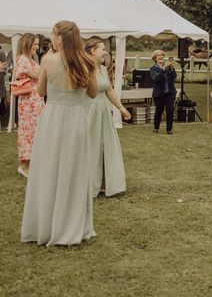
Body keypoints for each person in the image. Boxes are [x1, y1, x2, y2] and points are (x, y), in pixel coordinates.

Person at [21, 20, 98, 246]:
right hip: (76, 119)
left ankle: (46, 224)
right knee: (73, 170)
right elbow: (93, 93)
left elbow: (41, 90)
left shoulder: (48, 60)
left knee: (50, 168)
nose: (50, 39)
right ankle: (72, 224)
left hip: (53, 118)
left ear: (60, 38)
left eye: (52, 35)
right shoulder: (87, 62)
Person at [85, 39, 131, 197]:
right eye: (102, 49)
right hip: (88, 111)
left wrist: (121, 108)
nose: (105, 52)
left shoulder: (103, 69)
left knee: (106, 145)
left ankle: (106, 182)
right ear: (92, 51)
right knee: (91, 147)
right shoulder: (83, 68)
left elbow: (109, 91)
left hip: (103, 111)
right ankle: (87, 185)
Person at [15, 33, 45, 178]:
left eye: (38, 44)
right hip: (28, 103)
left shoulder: (31, 59)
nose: (37, 47)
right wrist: (41, 71)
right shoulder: (22, 59)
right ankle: (24, 166)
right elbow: (38, 75)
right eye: (35, 44)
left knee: (34, 131)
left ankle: (32, 164)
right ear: (27, 44)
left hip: (35, 101)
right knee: (27, 132)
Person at [150, 49, 177, 135]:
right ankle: (156, 127)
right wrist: (163, 68)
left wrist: (172, 69)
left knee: (170, 110)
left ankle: (169, 129)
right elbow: (156, 78)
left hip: (170, 92)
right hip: (159, 94)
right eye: (158, 55)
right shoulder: (153, 68)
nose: (161, 57)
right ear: (155, 58)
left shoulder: (168, 66)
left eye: (162, 55)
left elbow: (174, 77)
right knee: (159, 111)